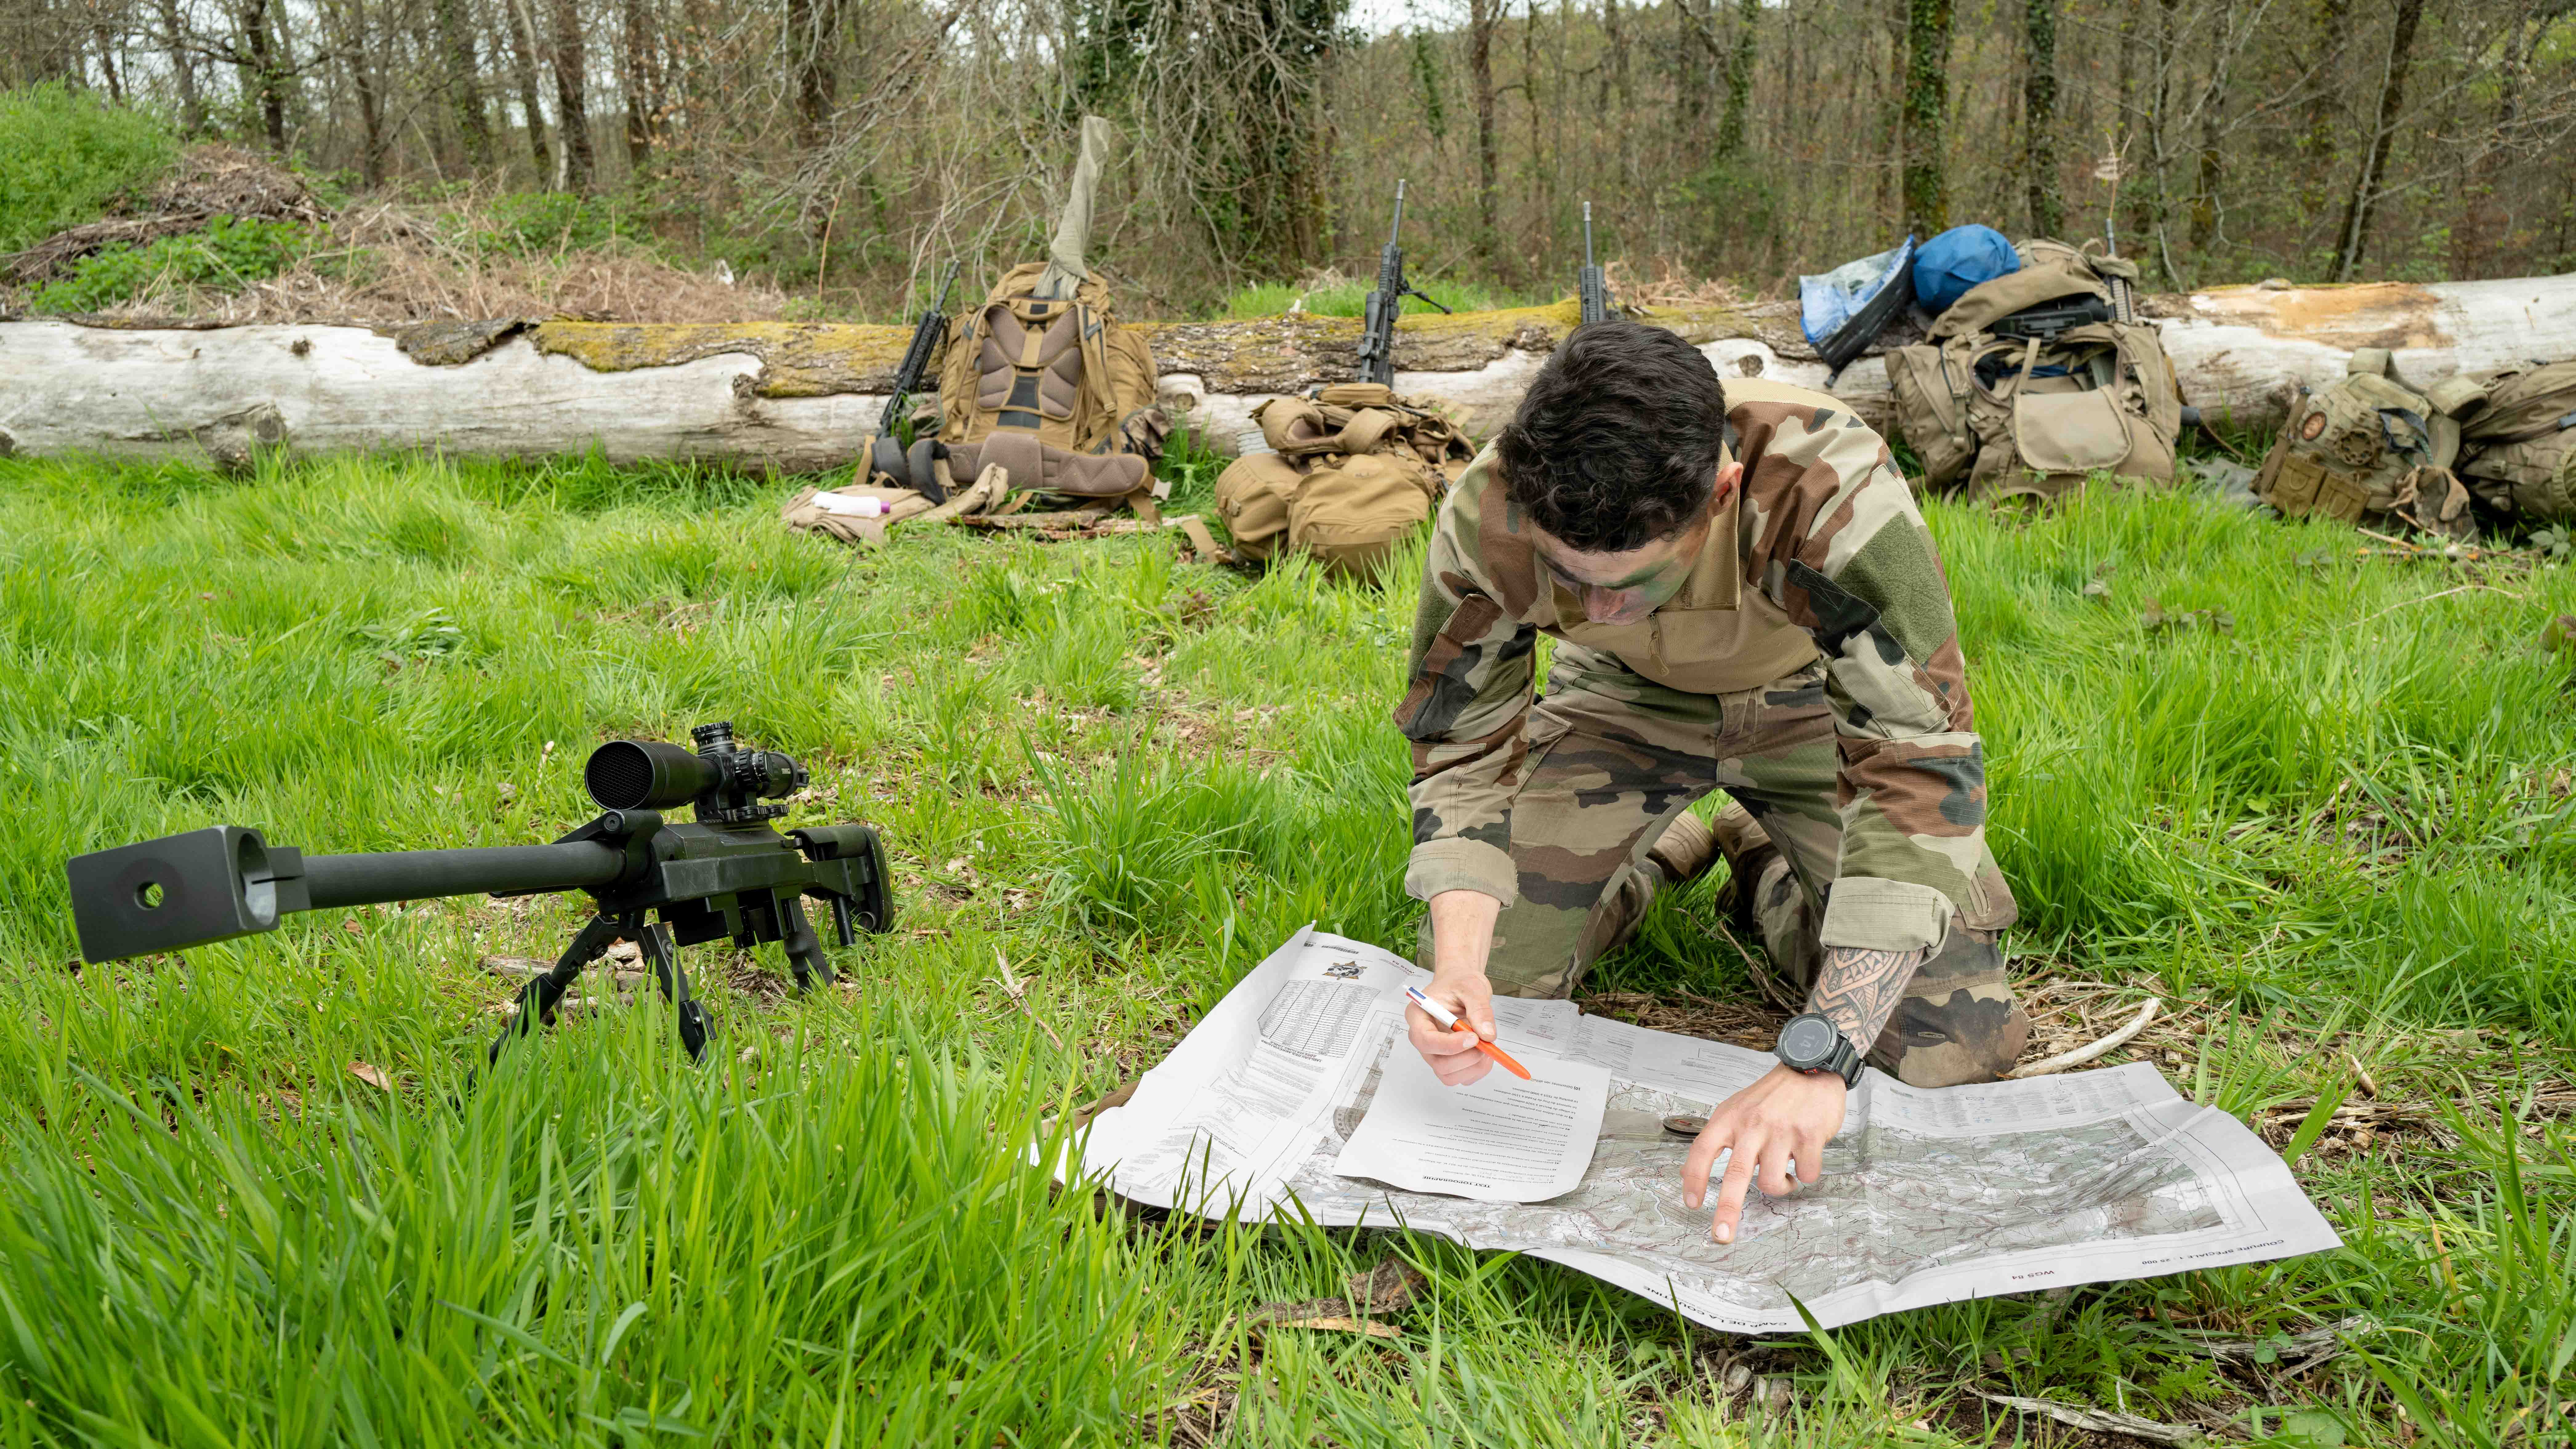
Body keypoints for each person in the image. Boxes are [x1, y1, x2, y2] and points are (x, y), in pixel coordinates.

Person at [1391, 320, 2025, 1244]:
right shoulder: (1497, 506)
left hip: (1810, 706)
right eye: (1573, 578)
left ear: (1723, 492)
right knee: (1500, 984)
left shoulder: (1829, 483)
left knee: (1954, 1039)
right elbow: (1461, 741)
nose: (1597, 606)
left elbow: (1917, 764)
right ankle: (1659, 857)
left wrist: (1819, 1060)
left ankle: (1765, 863)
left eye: (1633, 581)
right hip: (1615, 705)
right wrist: (1457, 966)